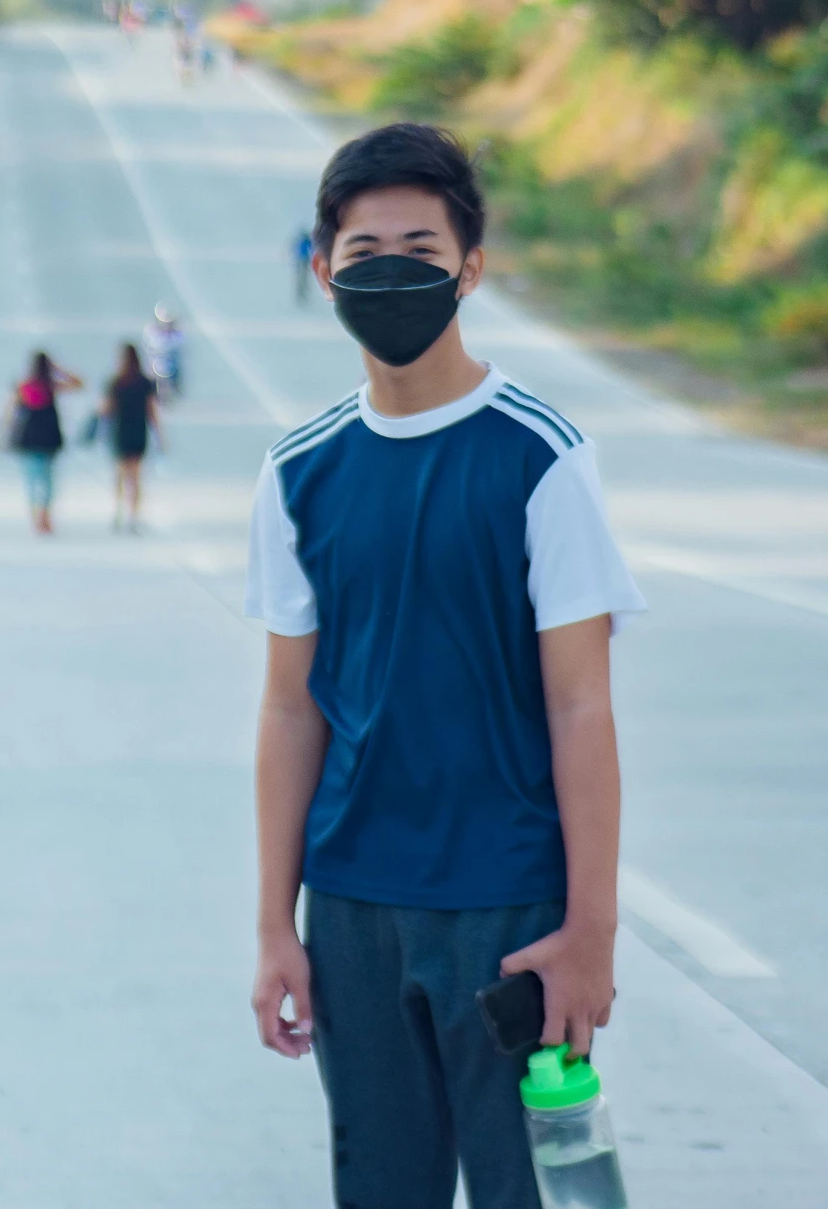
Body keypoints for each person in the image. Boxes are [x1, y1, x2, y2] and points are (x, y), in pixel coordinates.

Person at [246, 124, 645, 1209]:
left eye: (420, 247)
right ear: (322, 271)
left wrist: (591, 930)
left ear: (472, 265)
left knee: (538, 1195)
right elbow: (291, 710)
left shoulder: (539, 457)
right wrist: (279, 925)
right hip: (354, 911)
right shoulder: (300, 473)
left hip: (509, 910)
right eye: (363, 249)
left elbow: (580, 704)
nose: (391, 271)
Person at [6, 351, 82, 535]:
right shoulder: (52, 386)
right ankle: (45, 518)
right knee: (48, 482)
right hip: (49, 441)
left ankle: (36, 519)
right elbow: (79, 384)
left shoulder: (24, 386)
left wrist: (8, 435)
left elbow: (10, 412)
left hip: (29, 440)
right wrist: (59, 369)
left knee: (32, 480)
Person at [100, 343, 163, 533]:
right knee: (135, 478)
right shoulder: (144, 382)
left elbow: (106, 409)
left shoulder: (115, 382)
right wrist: (159, 436)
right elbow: (152, 411)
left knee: (119, 475)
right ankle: (133, 516)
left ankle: (117, 512)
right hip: (138, 432)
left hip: (120, 432)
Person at [144, 304, 186, 400]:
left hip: (171, 364)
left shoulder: (178, 336)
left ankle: (176, 388)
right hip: (156, 364)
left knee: (176, 372)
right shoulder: (153, 334)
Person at [292, 230, 315, 306]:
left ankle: (302, 292)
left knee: (302, 278)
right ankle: (301, 292)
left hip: (302, 261)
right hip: (303, 261)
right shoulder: (306, 241)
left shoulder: (303, 241)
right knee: (302, 278)